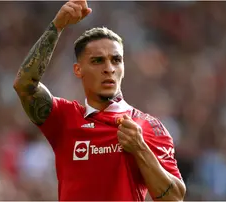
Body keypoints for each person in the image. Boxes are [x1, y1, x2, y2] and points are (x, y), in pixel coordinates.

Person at [13, 0, 186, 200]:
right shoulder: (64, 118)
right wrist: (57, 26)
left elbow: (175, 198)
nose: (109, 69)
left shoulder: (147, 127)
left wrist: (140, 148)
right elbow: (24, 84)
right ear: (78, 70)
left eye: (116, 60)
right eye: (97, 61)